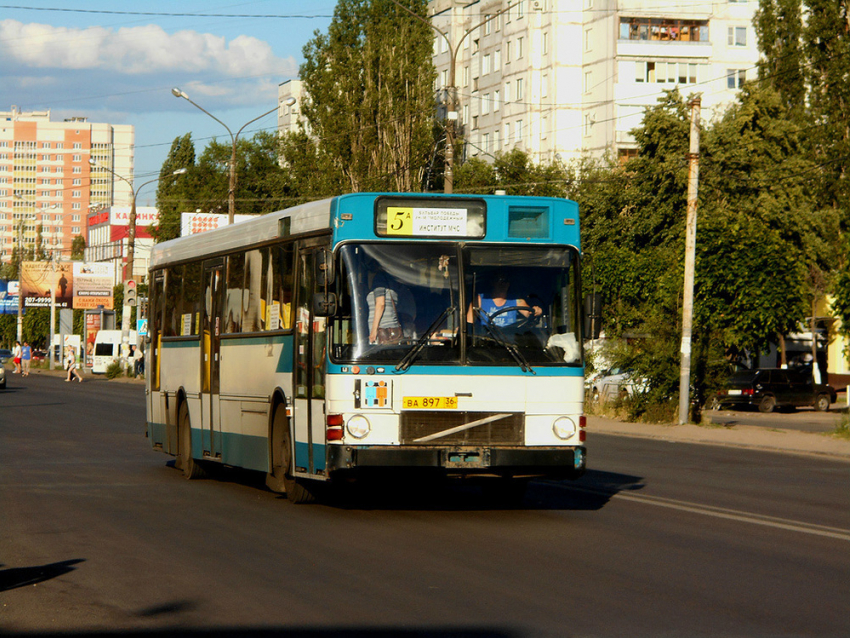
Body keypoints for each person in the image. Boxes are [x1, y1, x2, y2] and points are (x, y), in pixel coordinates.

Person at [467, 272, 541, 328]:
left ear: (509, 284)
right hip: (487, 340)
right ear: (492, 283)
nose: (502, 284)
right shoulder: (480, 299)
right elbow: (469, 323)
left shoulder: (516, 299)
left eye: (505, 281)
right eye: (499, 280)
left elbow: (529, 313)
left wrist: (536, 311)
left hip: (510, 340)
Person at [366, 271, 402, 344]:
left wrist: (373, 330)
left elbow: (380, 304)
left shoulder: (379, 278)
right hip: (392, 330)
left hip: (382, 331)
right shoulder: (392, 280)